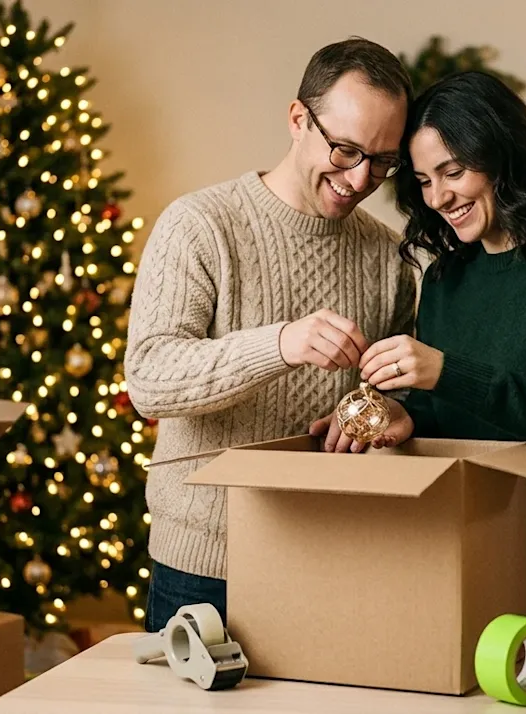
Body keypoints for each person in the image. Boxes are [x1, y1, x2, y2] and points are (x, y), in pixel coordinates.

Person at [310, 71, 526, 652]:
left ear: (503, 156)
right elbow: (458, 419)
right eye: (423, 180)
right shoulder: (445, 278)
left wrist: (443, 371)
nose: (439, 197)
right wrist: (405, 415)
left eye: (453, 171)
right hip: (475, 551)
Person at [125, 37, 418, 633]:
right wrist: (279, 344)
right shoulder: (200, 224)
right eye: (345, 150)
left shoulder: (391, 257)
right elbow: (149, 378)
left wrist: (376, 408)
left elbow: (398, 395)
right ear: (296, 119)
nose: (361, 178)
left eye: (383, 162)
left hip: (337, 557)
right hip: (204, 566)